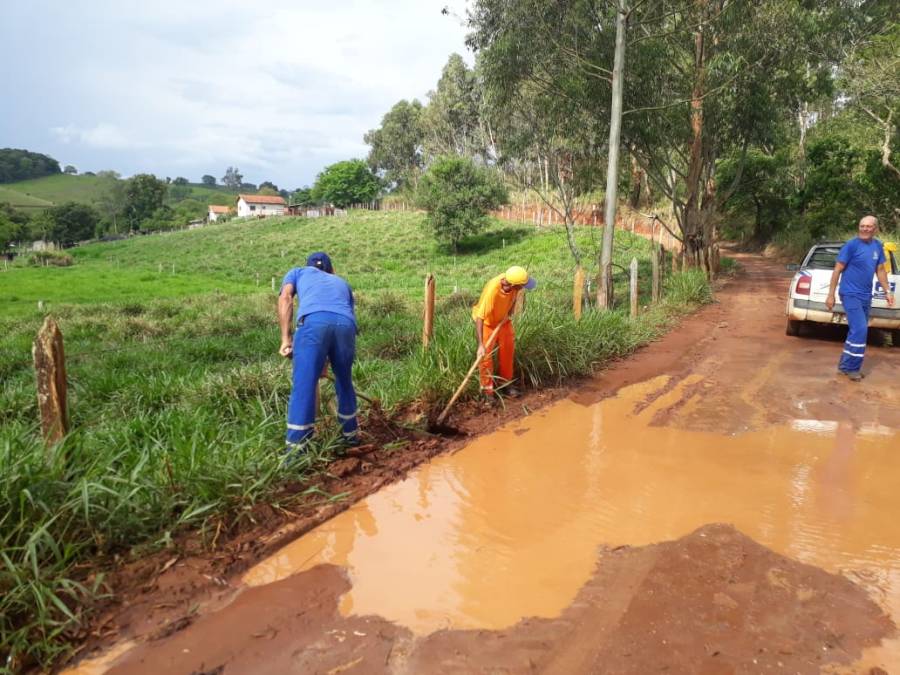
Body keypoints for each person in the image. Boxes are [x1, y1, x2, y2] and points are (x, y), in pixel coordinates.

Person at [278, 252, 359, 450]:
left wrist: (286, 339)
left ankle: (296, 451)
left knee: (304, 384)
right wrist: (324, 363)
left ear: (308, 266)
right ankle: (350, 436)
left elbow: (286, 298)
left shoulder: (298, 272)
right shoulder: (342, 282)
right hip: (346, 325)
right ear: (332, 270)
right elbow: (338, 320)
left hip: (313, 323)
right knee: (344, 381)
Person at [825, 215, 895, 381]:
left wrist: (887, 291)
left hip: (866, 295)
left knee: (855, 330)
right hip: (850, 293)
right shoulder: (851, 246)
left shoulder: (877, 246)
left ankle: (844, 366)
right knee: (861, 329)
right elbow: (837, 270)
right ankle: (853, 368)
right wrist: (831, 294)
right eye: (862, 226)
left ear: (875, 229)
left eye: (868, 226)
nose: (864, 229)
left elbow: (880, 270)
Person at [471, 265, 537, 398]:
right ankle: (487, 392)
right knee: (485, 357)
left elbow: (513, 298)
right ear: (514, 285)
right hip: (487, 324)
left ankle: (505, 385)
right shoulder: (493, 291)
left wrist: (509, 311)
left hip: (503, 321)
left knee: (508, 350)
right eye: (522, 286)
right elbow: (480, 318)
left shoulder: (513, 284)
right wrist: (480, 345)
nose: (523, 288)